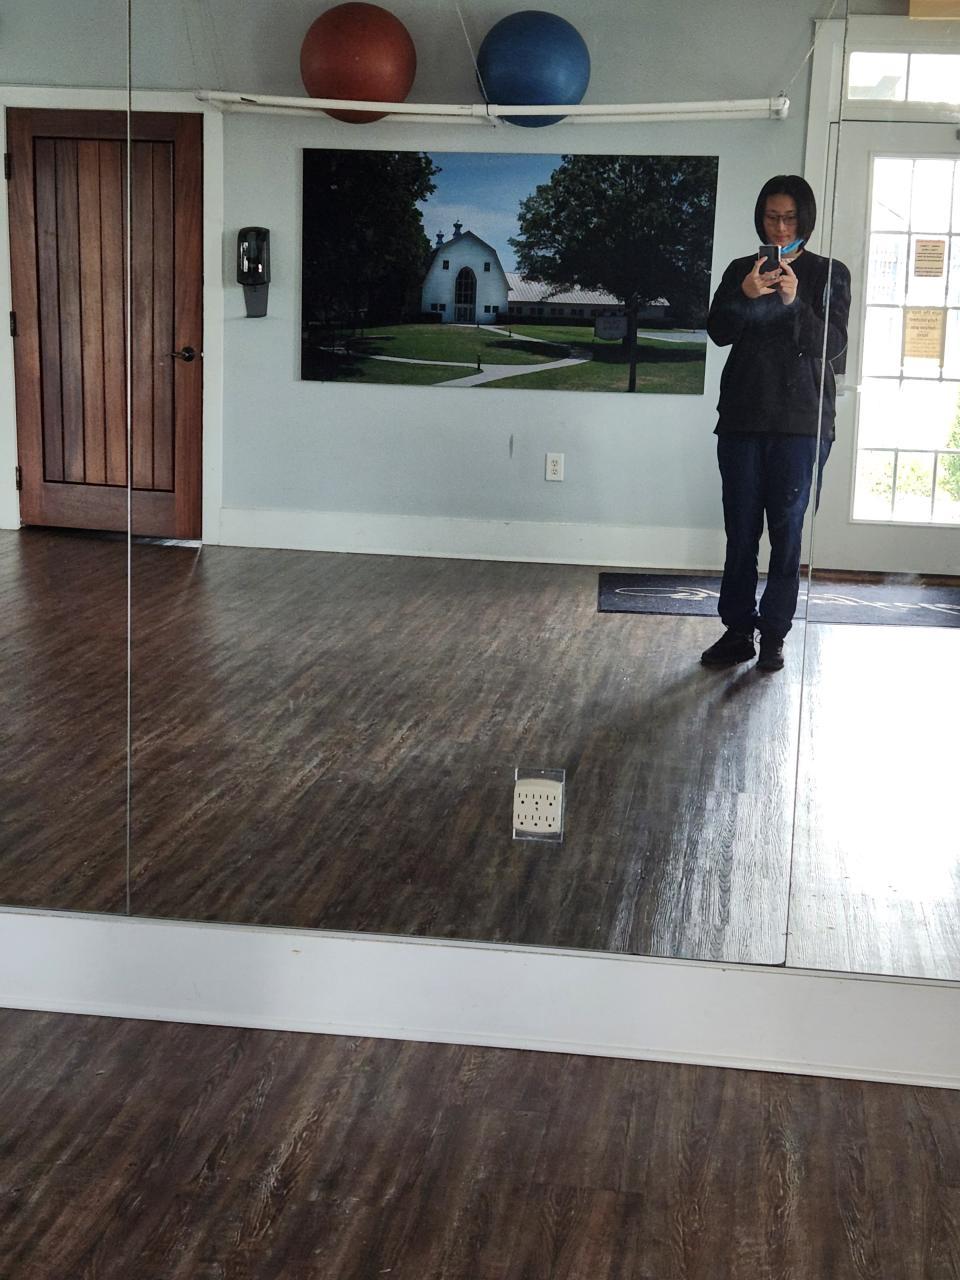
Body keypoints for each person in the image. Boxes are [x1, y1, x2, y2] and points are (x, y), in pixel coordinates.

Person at [701, 174, 850, 673]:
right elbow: (718, 332)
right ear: (760, 218)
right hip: (742, 419)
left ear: (805, 219)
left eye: (789, 218)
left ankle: (774, 635)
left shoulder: (830, 274)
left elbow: (833, 346)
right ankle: (737, 631)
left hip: (802, 423)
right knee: (740, 532)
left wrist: (793, 301)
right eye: (771, 217)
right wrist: (745, 294)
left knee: (787, 534)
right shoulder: (740, 270)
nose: (780, 227)